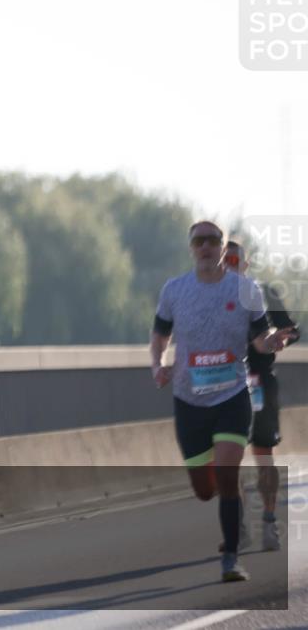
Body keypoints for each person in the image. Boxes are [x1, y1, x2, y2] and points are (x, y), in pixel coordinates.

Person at [150, 221, 295, 582]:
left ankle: (231, 557)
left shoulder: (246, 290)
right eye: (199, 241)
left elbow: (260, 339)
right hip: (189, 399)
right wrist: (158, 365)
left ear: (222, 247)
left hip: (232, 394)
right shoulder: (175, 290)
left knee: (229, 475)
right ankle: (225, 504)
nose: (206, 247)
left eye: (213, 241)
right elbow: (160, 335)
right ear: (191, 248)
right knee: (204, 490)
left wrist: (272, 342)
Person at [224, 240, 300, 551]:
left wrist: (282, 339)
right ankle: (238, 525)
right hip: (226, 384)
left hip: (259, 381)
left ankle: (268, 522)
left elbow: (292, 330)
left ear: (246, 262)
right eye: (223, 259)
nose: (227, 264)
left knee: (263, 454)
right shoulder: (211, 296)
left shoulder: (264, 292)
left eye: (233, 259)